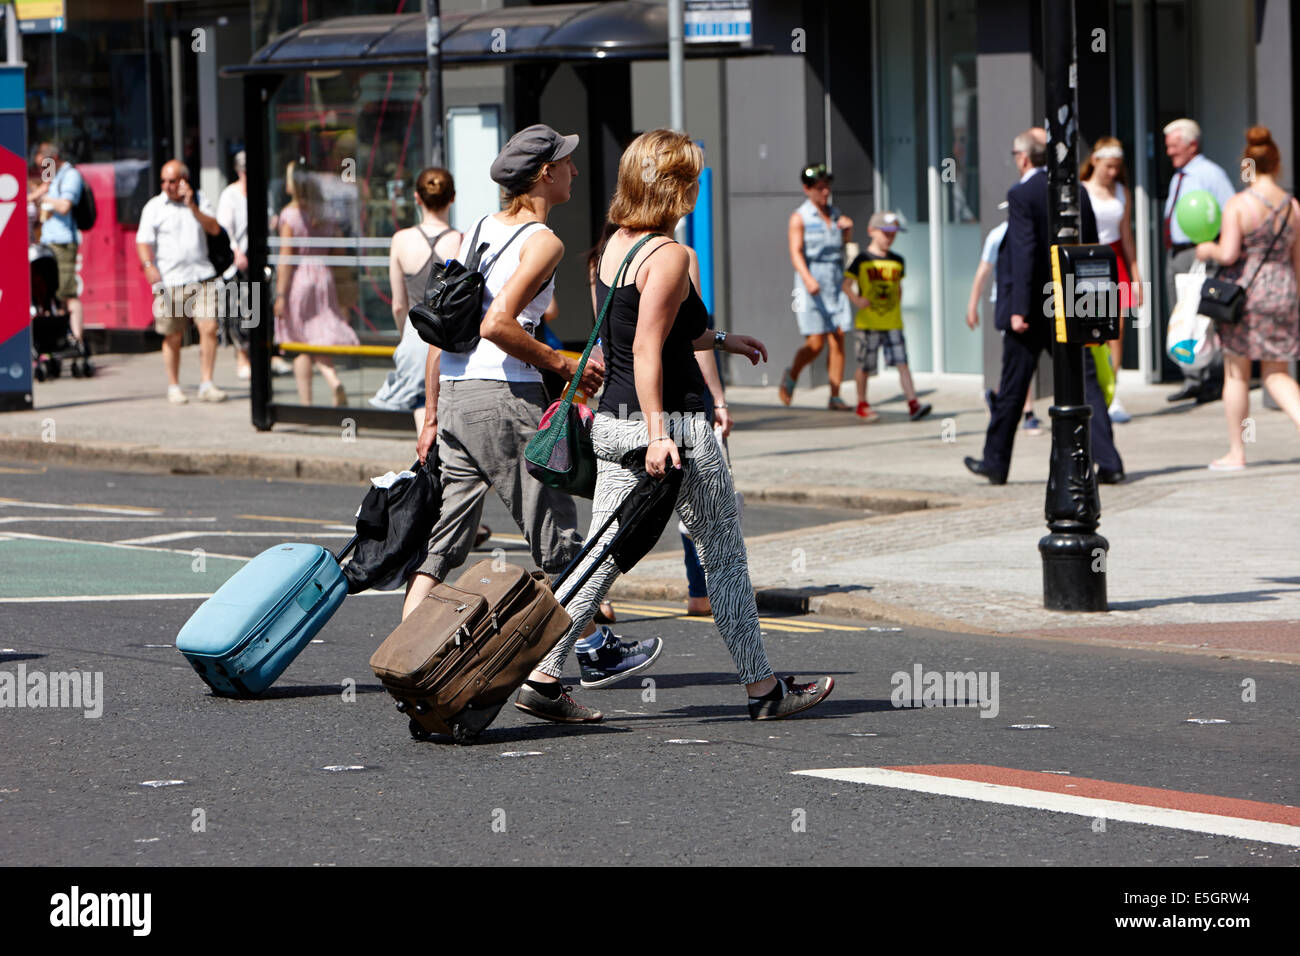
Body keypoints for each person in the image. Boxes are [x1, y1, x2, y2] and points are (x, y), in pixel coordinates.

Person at [517, 129, 834, 725]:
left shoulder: (616, 246)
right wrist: (662, 433)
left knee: (602, 555)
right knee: (724, 557)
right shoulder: (670, 256)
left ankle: (542, 675)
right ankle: (762, 689)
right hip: (674, 428)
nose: (695, 187)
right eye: (690, 177)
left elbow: (655, 331)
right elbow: (643, 349)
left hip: (612, 424)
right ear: (672, 185)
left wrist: (720, 340)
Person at [404, 124, 660, 702]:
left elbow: (443, 331)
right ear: (545, 173)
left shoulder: (476, 232)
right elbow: (497, 325)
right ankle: (592, 651)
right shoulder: (543, 239)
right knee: (553, 528)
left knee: (444, 541)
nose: (574, 170)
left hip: (458, 395)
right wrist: (564, 364)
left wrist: (431, 414)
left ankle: (405, 656)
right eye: (566, 162)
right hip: (504, 397)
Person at [963, 128, 1124, 485]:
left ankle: (995, 462)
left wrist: (1019, 308)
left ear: (1022, 158)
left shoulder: (1022, 193)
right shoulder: (1075, 190)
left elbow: (1025, 251)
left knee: (1012, 388)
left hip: (1033, 310)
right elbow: (1091, 247)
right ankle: (1110, 462)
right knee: (1086, 385)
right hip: (1070, 305)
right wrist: (1093, 304)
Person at [1194, 126, 1300, 470]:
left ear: (1248, 165)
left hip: (1246, 295)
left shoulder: (1239, 204)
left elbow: (1228, 254)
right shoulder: (1292, 207)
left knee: (1237, 375)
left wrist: (1206, 248)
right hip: (1282, 290)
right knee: (1277, 373)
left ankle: (1238, 452)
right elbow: (1297, 261)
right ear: (1277, 163)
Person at [371, 167, 462, 429]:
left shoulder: (401, 240)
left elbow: (399, 304)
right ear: (452, 198)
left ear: (417, 198)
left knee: (421, 410)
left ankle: (426, 467)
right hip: (447, 342)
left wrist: (405, 336)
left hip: (415, 337)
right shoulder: (461, 240)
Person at [136, 159, 227, 404]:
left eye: (172, 181)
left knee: (209, 328)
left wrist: (193, 208)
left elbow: (215, 229)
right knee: (173, 335)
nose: (167, 185)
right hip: (170, 280)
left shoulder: (198, 199)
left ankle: (206, 382)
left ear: (184, 180)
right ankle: (174, 385)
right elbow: (143, 241)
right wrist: (148, 266)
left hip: (202, 276)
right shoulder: (154, 207)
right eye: (164, 181)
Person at [274, 161, 359, 406]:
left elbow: (286, 258)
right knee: (315, 336)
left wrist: (280, 295)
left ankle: (308, 402)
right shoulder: (324, 213)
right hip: (324, 275)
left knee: (299, 340)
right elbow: (338, 251)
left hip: (300, 277)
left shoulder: (290, 215)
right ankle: (331, 382)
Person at [1163, 118, 1235, 405]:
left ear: (1192, 145)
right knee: (1182, 316)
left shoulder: (1210, 174)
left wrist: (1216, 246)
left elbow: (1229, 209)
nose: (1169, 152)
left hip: (1201, 252)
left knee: (1204, 316)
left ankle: (1212, 379)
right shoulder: (1178, 176)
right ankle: (1192, 378)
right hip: (1177, 253)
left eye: (1174, 146)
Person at [841, 210, 931, 422]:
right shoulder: (862, 260)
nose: (890, 238)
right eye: (886, 233)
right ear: (872, 231)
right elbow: (846, 285)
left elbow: (899, 287)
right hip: (868, 322)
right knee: (865, 365)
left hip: (892, 322)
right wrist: (857, 300)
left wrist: (896, 304)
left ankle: (913, 403)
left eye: (893, 234)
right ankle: (862, 403)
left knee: (902, 363)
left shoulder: (898, 261)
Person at [777, 162, 854, 410]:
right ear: (807, 189)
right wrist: (808, 278)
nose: (825, 192)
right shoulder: (799, 218)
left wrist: (847, 231)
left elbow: (842, 246)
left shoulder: (834, 214)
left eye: (827, 187)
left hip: (834, 278)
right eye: (820, 188)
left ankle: (835, 395)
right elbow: (795, 251)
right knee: (816, 343)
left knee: (839, 336)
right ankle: (792, 373)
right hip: (812, 280)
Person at [1081, 136, 1143, 423]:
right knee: (1092, 329)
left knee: (1116, 329)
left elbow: (1127, 235)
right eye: (1109, 166)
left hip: (1115, 257)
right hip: (1089, 260)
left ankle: (1112, 391)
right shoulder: (1081, 190)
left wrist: (1136, 274)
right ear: (1095, 161)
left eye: (1117, 167)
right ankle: (1094, 388)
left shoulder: (1121, 191)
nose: (1113, 172)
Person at [966, 206, 1041, 434]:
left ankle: (997, 396)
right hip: (1008, 305)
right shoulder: (998, 235)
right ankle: (1027, 411)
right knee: (1020, 357)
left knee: (1017, 362)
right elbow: (983, 271)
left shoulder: (1034, 232)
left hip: (1031, 303)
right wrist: (972, 306)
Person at [31, 143, 86, 349]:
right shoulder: (51, 179)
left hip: (63, 242)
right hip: (47, 242)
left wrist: (44, 196)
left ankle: (77, 338)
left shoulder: (70, 175)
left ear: (53, 158)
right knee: (52, 295)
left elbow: (64, 206)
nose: (43, 170)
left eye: (44, 165)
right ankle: (58, 337)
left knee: (67, 292)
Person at [216, 149, 252, 380]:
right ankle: (242, 357)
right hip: (236, 265)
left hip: (255, 262)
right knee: (239, 312)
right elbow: (224, 228)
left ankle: (264, 356)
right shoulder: (229, 195)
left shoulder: (260, 192)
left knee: (257, 311)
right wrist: (236, 252)